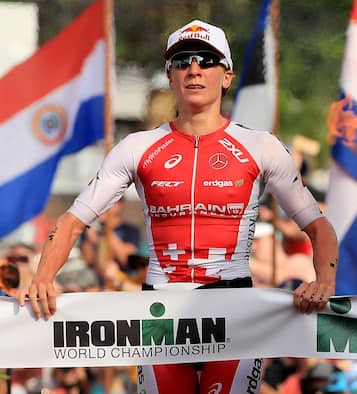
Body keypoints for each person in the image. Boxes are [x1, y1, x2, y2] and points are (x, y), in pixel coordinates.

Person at [19, 19, 339, 394]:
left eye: (206, 60)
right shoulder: (137, 147)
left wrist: (325, 281)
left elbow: (318, 227)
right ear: (170, 77)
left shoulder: (261, 146)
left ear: (227, 76)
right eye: (182, 61)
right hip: (161, 310)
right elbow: (73, 221)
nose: (194, 69)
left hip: (234, 304)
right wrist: (43, 276)